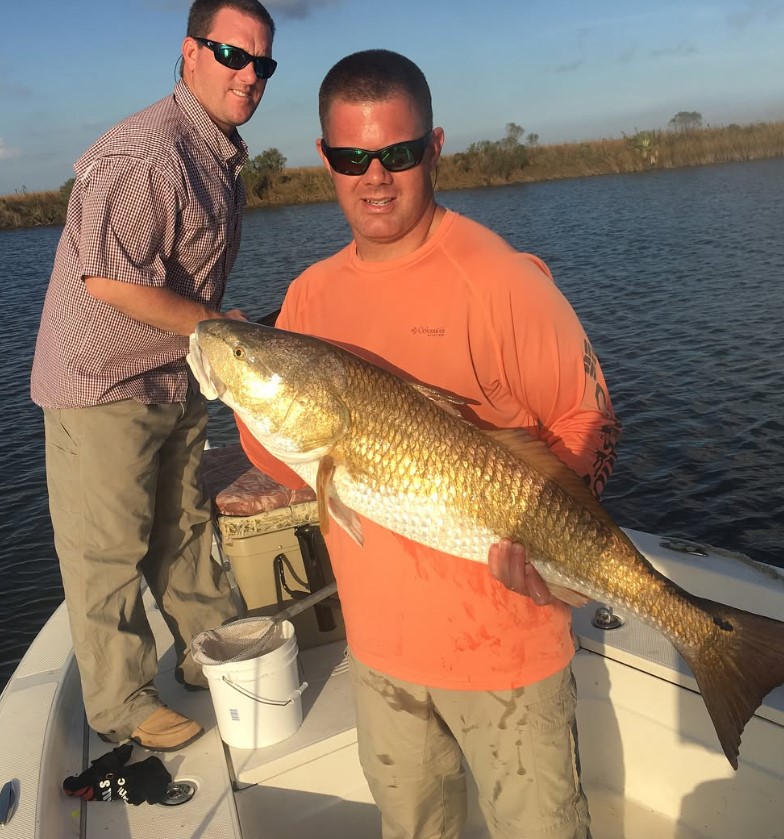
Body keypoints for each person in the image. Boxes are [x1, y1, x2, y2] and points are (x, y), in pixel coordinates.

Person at [238, 50, 619, 838]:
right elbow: (296, 461)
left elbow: (590, 421)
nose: (375, 177)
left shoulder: (505, 281)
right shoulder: (307, 297)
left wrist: (560, 539)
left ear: (434, 147)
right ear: (325, 160)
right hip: (380, 660)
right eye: (352, 157)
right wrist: (245, 394)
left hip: (509, 658)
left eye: (399, 153)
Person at [30, 0, 277, 752]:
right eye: (232, 55)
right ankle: (121, 701)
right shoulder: (149, 152)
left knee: (184, 522)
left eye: (262, 63)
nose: (249, 75)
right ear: (190, 51)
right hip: (104, 382)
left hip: (173, 371)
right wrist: (214, 326)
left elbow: (176, 280)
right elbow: (109, 280)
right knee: (106, 547)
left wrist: (211, 324)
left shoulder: (217, 153)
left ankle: (210, 649)